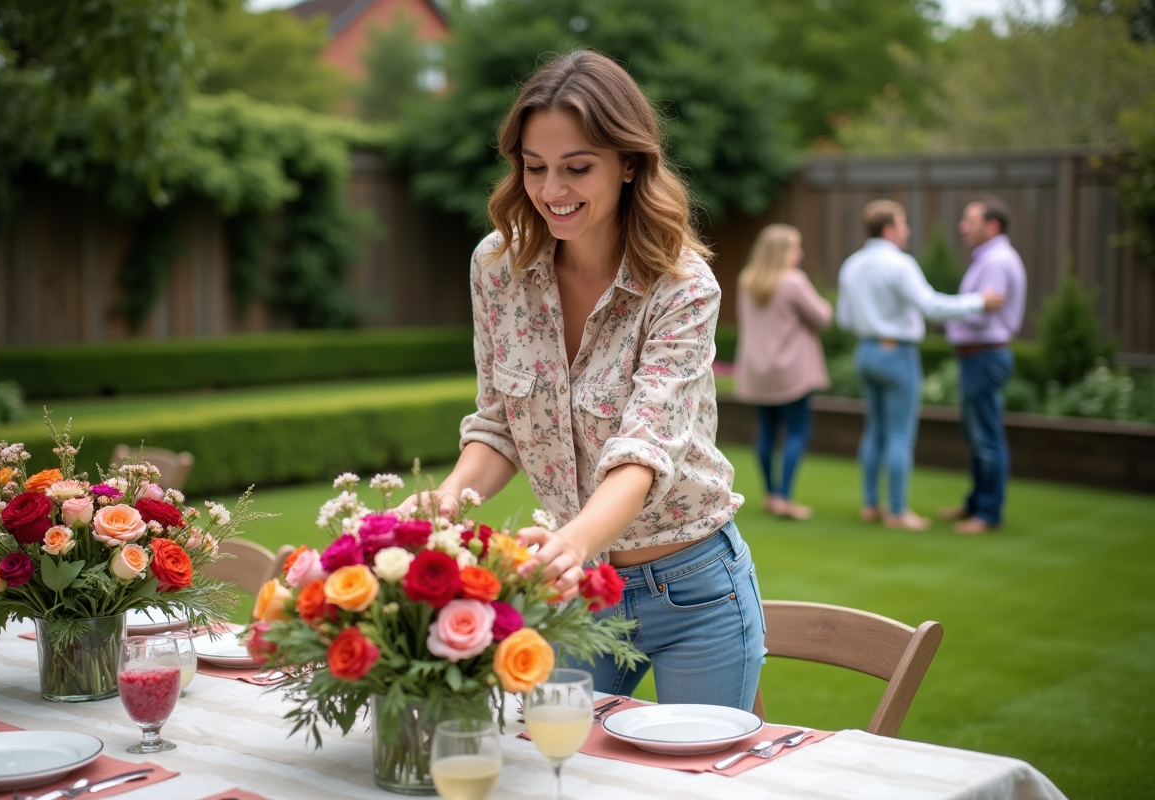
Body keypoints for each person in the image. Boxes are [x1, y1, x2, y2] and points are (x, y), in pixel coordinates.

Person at [397, 51, 765, 709]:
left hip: (693, 588)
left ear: (629, 163)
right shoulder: (496, 268)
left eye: (577, 168)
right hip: (579, 587)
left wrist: (569, 543)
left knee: (698, 782)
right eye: (535, 168)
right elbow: (499, 424)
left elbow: (644, 449)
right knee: (551, 767)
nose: (551, 190)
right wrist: (449, 497)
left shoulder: (682, 288)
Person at [836, 200, 1005, 531]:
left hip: (865, 352)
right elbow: (931, 306)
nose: (907, 231)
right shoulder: (900, 264)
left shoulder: (851, 265)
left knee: (874, 430)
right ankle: (898, 511)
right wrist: (979, 301)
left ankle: (871, 505)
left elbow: (843, 319)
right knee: (899, 433)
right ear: (888, 230)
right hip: (896, 354)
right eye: (903, 224)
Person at [938, 197, 1027, 535]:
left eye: (969, 220)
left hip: (985, 355)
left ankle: (988, 513)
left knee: (986, 436)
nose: (963, 226)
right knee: (977, 435)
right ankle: (975, 503)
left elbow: (983, 311)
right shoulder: (991, 259)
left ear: (992, 226)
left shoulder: (995, 262)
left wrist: (947, 311)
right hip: (979, 355)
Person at [734, 224, 833, 520]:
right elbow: (823, 317)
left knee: (766, 432)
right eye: (795, 247)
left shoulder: (747, 281)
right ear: (782, 252)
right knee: (796, 431)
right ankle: (786, 498)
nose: (800, 254)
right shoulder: (794, 281)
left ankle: (771, 494)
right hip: (792, 373)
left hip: (757, 371)